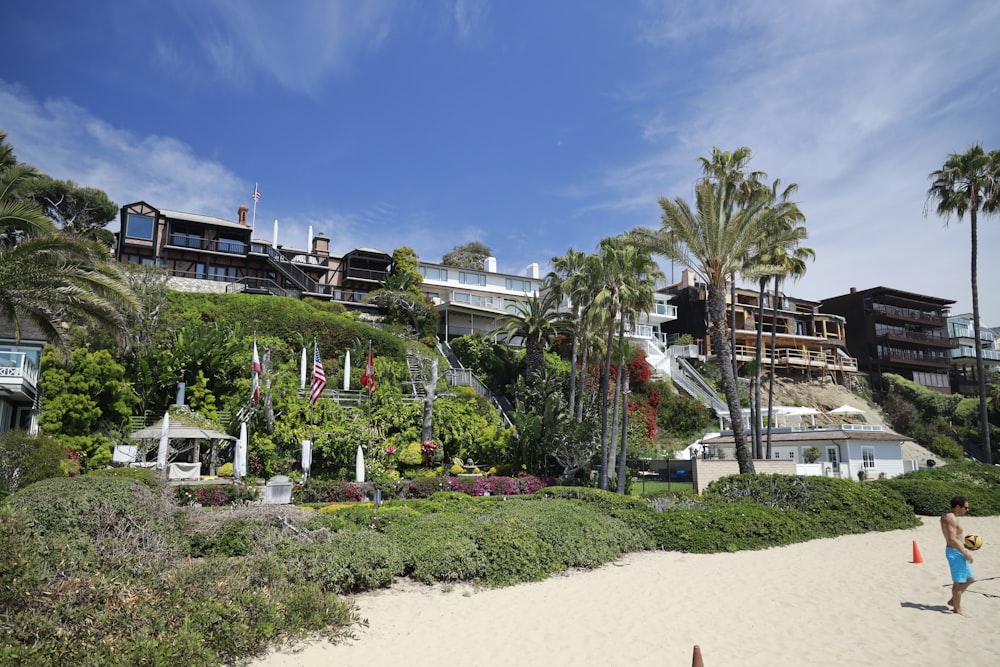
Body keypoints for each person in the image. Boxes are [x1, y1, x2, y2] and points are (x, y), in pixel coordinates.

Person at [940, 496, 975, 615]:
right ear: (957, 507)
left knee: (970, 579)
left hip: (959, 550)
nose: (967, 509)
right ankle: (957, 609)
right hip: (955, 552)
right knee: (958, 583)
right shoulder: (950, 518)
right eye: (966, 507)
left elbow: (957, 538)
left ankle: (953, 601)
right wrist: (965, 553)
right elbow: (952, 539)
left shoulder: (953, 517)